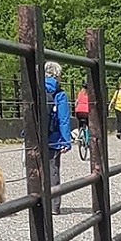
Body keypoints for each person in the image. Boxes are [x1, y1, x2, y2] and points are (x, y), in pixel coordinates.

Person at [45, 60, 72, 212]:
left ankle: (35, 202)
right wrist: (66, 141)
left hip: (35, 138)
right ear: (57, 75)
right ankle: (54, 205)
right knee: (52, 169)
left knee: (35, 169)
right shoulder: (59, 94)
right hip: (53, 138)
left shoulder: (35, 89)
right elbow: (63, 119)